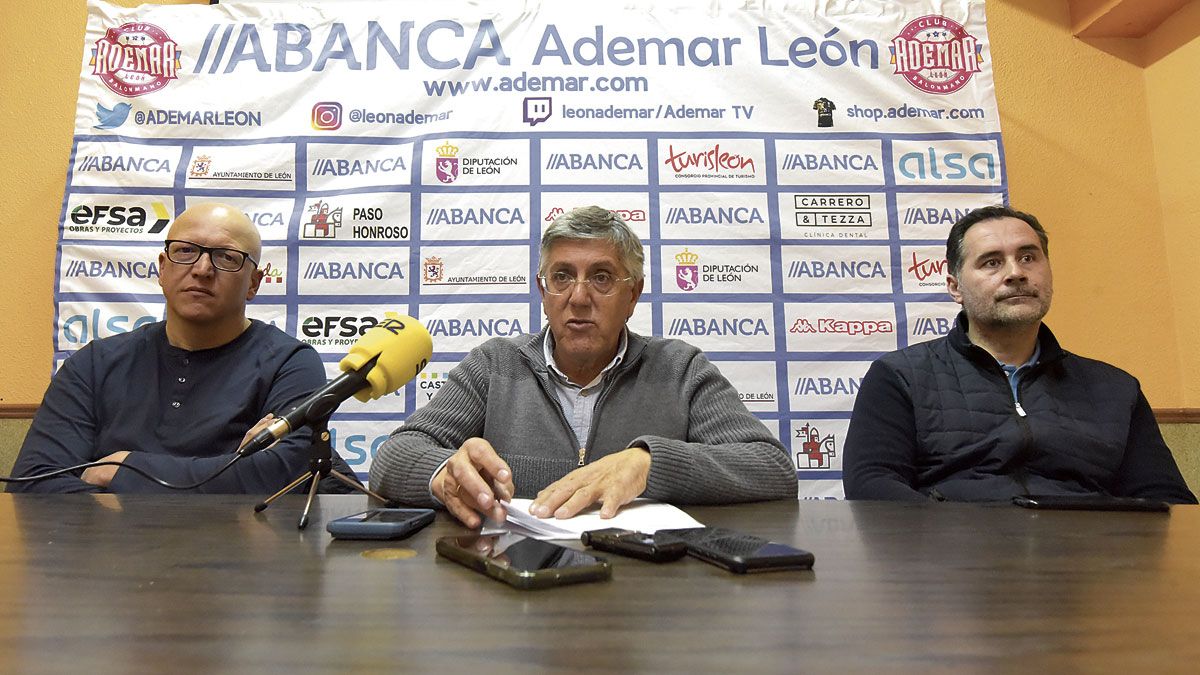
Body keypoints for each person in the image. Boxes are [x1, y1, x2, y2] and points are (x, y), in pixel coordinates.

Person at [370, 206, 797, 527]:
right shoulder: (495, 364)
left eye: (602, 277)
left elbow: (771, 468)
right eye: (562, 277)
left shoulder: (679, 369)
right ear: (543, 290)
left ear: (634, 295)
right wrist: (444, 475)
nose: (578, 297)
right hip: (518, 595)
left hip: (648, 595)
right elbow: (394, 456)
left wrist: (650, 465)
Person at [842, 205, 1196, 503]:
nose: (1016, 273)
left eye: (1028, 257)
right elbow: (872, 486)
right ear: (955, 287)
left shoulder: (1116, 388)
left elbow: (1167, 499)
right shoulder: (901, 376)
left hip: (1089, 569)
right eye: (992, 263)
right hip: (953, 568)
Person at [9, 202, 358, 493]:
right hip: (110, 563)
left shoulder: (289, 363)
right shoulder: (94, 364)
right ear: (162, 268)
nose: (202, 269)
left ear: (253, 283)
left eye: (226, 257)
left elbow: (284, 475)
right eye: (186, 252)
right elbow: (34, 484)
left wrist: (125, 469)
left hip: (240, 567)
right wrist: (223, 477)